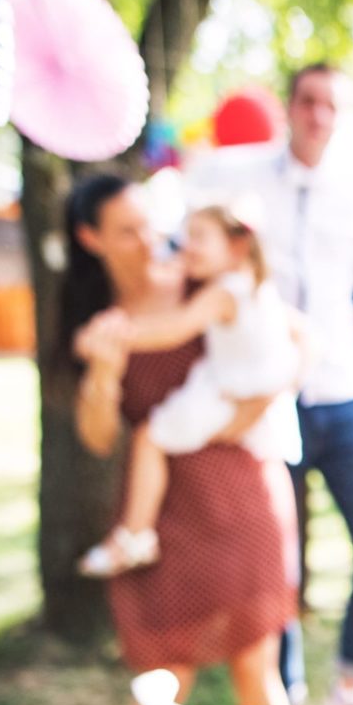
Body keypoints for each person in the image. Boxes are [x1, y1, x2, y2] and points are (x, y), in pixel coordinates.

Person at [65, 175, 299, 705]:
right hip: (164, 513)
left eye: (150, 224)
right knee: (163, 678)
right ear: (92, 239)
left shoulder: (205, 286)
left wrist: (247, 412)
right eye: (127, 230)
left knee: (257, 665)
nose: (149, 241)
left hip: (240, 495)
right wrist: (103, 372)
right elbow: (100, 434)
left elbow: (285, 345)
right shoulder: (101, 321)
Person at [231, 64, 353, 705]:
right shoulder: (248, 188)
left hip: (342, 398)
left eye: (331, 105)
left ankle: (352, 679)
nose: (318, 115)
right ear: (289, 108)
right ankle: (285, 689)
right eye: (308, 102)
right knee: (279, 558)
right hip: (272, 401)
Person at [78, 204, 301, 578]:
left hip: (225, 393)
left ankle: (135, 535)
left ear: (235, 247)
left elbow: (175, 328)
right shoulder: (253, 285)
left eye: (199, 237)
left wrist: (114, 336)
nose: (186, 246)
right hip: (237, 390)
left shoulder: (224, 292)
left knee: (149, 437)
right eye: (185, 237)